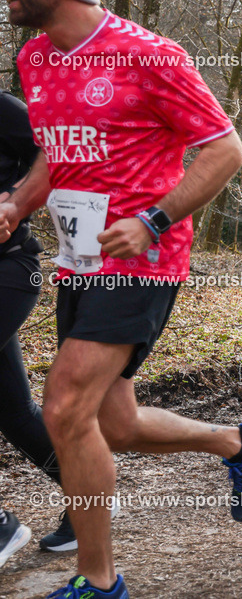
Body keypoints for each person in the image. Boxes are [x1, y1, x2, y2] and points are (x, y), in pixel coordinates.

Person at [0, 0, 242, 596]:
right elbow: (55, 152)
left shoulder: (149, 54)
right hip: (80, 259)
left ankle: (99, 582)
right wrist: (16, 202)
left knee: (64, 407)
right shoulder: (34, 60)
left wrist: (153, 220)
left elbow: (224, 148)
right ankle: (239, 442)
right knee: (112, 424)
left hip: (145, 258)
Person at [0, 89, 79, 551]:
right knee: (13, 412)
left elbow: (56, 152)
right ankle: (89, 493)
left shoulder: (3, 109)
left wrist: (14, 198)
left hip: (8, 269)